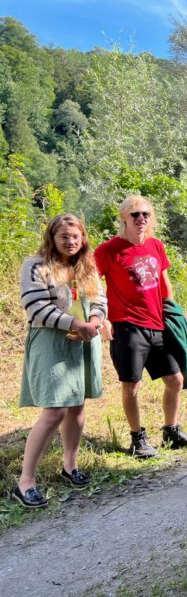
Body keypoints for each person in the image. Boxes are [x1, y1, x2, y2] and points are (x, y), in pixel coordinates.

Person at [95, 194, 187, 458]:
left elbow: (165, 284)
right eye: (135, 215)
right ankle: (137, 438)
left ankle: (171, 431)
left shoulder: (156, 246)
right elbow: (91, 285)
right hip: (127, 326)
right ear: (124, 218)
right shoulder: (108, 250)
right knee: (131, 384)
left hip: (157, 324)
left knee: (175, 379)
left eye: (145, 214)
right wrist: (102, 319)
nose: (141, 219)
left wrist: (173, 314)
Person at [14, 214, 106, 509]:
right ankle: (25, 482)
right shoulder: (36, 266)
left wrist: (92, 321)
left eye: (76, 236)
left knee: (77, 405)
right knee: (54, 411)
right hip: (52, 342)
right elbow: (36, 307)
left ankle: (70, 465)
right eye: (64, 236)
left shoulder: (86, 265)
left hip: (84, 340)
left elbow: (100, 299)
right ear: (52, 238)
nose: (70, 242)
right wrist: (75, 325)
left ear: (83, 238)